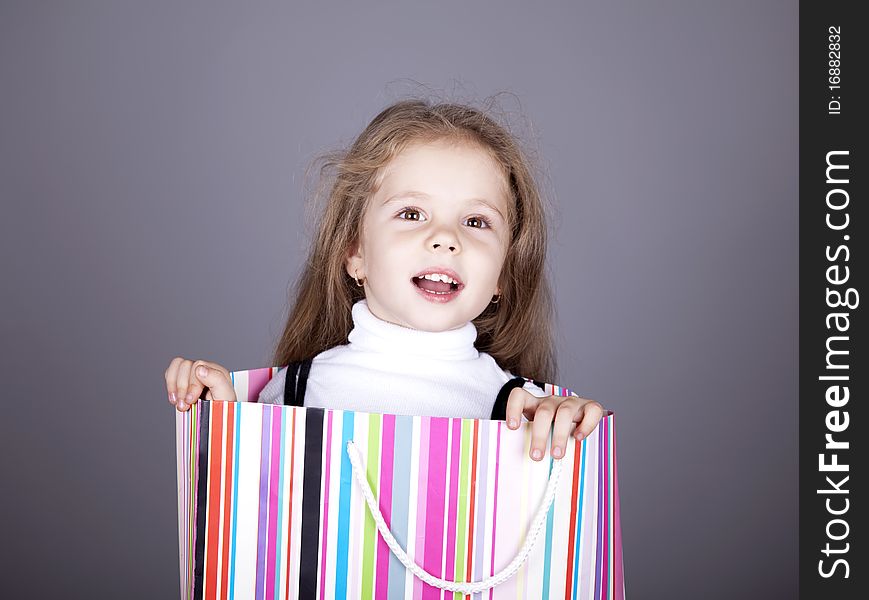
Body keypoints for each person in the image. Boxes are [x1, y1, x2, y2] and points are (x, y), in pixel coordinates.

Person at [164, 98, 605, 461]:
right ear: (355, 253)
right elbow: (257, 509)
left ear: (502, 275)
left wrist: (575, 423)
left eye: (475, 221)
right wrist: (224, 417)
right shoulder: (297, 391)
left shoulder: (524, 409)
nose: (445, 239)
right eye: (411, 214)